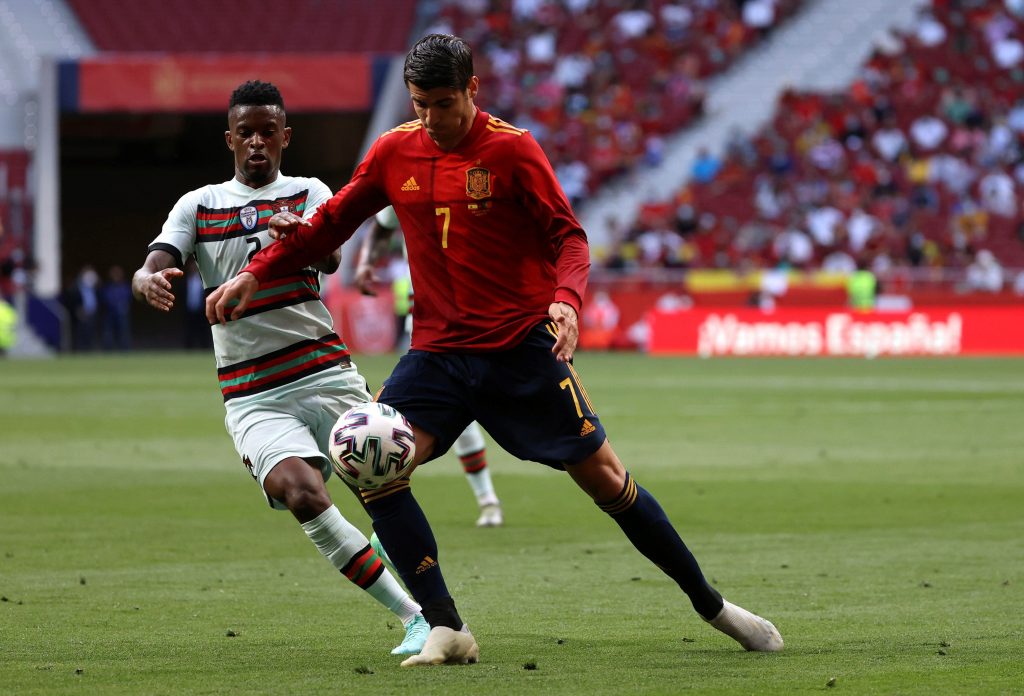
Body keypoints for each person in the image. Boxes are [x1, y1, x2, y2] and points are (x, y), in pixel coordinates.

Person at [208, 36, 783, 666]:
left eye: (444, 103)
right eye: (420, 104)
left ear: (473, 90)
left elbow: (569, 236)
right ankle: (447, 627)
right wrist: (256, 272)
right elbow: (331, 224)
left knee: (608, 481)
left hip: (520, 351)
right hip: (437, 355)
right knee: (371, 461)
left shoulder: (512, 150)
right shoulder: (395, 149)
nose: (431, 118)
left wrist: (566, 299)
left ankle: (713, 606)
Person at [133, 80, 428, 656]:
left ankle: (389, 539)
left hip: (326, 373)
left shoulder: (309, 192)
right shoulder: (198, 205)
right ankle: (412, 615)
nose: (258, 142)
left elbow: (331, 256)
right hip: (252, 393)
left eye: (269, 131)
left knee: (388, 477)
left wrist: (301, 237)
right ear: (230, 140)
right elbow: (157, 260)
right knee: (301, 493)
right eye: (246, 132)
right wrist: (146, 279)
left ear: (285, 137)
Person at [355, 205, 503, 528]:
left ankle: (395, 513)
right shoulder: (410, 183)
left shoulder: (476, 187)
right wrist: (367, 262)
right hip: (426, 330)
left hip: (482, 324)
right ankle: (483, 500)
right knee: (399, 419)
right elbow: (381, 224)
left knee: (478, 416)